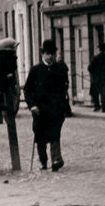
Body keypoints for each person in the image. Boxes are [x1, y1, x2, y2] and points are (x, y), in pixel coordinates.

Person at [23, 39, 70, 171]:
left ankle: (56, 159)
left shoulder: (59, 68)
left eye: (52, 53)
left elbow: (65, 84)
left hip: (56, 108)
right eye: (48, 53)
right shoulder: (35, 70)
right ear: (42, 54)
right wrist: (32, 105)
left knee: (55, 133)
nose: (50, 56)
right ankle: (43, 161)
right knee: (40, 135)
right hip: (40, 110)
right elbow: (27, 90)